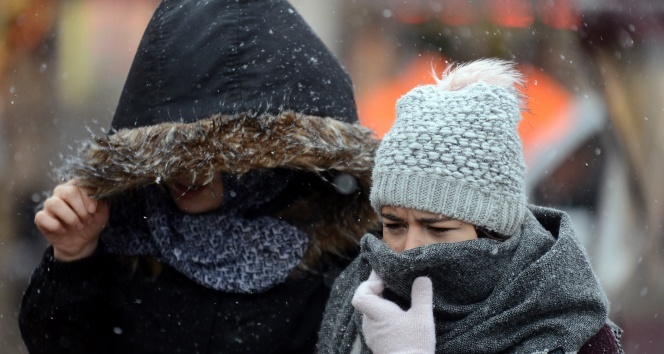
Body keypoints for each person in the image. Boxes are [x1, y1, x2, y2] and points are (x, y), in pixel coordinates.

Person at [19, 0, 379, 353]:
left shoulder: (343, 271)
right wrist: (73, 259)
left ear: (268, 160)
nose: (184, 170)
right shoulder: (124, 241)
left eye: (213, 153)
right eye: (172, 151)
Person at [317, 59, 623, 353]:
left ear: (494, 233)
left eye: (437, 228)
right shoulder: (357, 303)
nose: (410, 249)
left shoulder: (571, 332)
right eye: (394, 225)